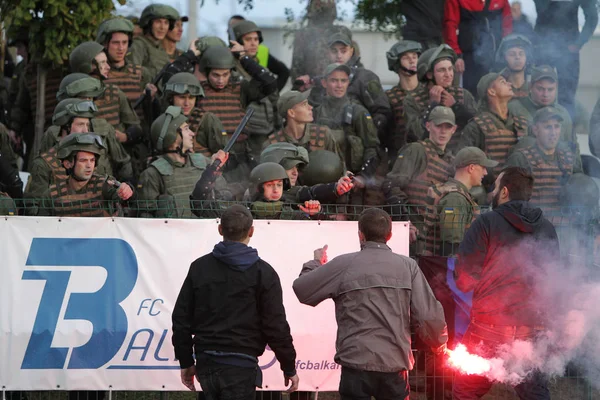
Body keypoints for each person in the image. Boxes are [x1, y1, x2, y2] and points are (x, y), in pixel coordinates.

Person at [293, 207, 448, 400]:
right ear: (389, 235)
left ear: (360, 235)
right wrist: (438, 343)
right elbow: (427, 315)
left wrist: (316, 263)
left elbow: (303, 290)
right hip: (395, 365)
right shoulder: (408, 266)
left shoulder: (344, 264)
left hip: (355, 364)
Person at [171, 204, 300, 397]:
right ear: (252, 231)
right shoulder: (264, 273)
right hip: (241, 366)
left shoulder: (200, 268)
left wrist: (186, 362)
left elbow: (181, 320)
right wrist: (288, 366)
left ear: (220, 229)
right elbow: (276, 326)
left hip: (207, 363)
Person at [453, 166, 558, 399]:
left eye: (495, 187)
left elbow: (465, 279)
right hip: (532, 328)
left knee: (466, 391)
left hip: (489, 327)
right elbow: (552, 279)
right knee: (535, 392)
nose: (491, 192)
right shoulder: (547, 228)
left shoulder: (486, 223)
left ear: (504, 192)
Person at [137, 106, 231, 218]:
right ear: (172, 136)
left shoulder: (204, 163)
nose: (192, 133)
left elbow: (225, 199)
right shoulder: (152, 175)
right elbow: (146, 219)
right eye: (186, 129)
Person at [384, 106, 456, 236]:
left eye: (448, 127)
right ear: (428, 126)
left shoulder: (451, 161)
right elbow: (392, 186)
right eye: (439, 126)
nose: (443, 131)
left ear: (454, 130)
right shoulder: (416, 150)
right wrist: (406, 222)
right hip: (413, 231)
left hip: (435, 235)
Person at [197, 45, 278, 156]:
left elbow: (270, 83)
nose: (220, 80)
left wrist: (244, 58)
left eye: (225, 74)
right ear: (207, 73)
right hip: (210, 155)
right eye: (215, 75)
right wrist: (189, 56)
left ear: (231, 72)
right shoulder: (197, 91)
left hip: (239, 155)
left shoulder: (240, 90)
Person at [32, 133, 134, 217]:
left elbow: (130, 200)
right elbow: (41, 228)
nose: (89, 165)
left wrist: (128, 190)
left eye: (92, 160)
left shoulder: (104, 185)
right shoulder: (52, 194)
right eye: (83, 160)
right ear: (68, 164)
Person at [423, 147, 497, 256]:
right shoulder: (456, 198)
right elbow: (451, 245)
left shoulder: (459, 194)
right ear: (471, 168)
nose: (485, 172)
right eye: (483, 167)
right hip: (447, 267)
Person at [506, 107, 580, 216]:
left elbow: (581, 191)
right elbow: (506, 197)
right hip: (530, 224)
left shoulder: (569, 158)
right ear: (535, 130)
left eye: (557, 126)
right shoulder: (520, 158)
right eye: (548, 127)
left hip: (564, 226)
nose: (553, 133)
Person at [533, 0, 598, 118]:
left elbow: (592, 17)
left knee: (567, 96)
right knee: (540, 92)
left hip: (569, 49)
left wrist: (579, 43)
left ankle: (567, 133)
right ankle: (539, 131)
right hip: (542, 47)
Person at [69, 41, 142, 143]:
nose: (108, 67)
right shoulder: (70, 98)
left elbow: (135, 127)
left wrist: (124, 137)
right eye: (102, 63)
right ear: (88, 66)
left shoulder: (114, 93)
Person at [404, 44, 477, 145]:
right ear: (429, 75)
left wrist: (456, 107)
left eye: (450, 69)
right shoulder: (412, 100)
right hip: (428, 156)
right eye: (442, 70)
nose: (448, 75)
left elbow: (477, 127)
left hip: (459, 155)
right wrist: (432, 105)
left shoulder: (464, 95)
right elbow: (417, 134)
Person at [313, 63, 380, 174]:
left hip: (350, 177)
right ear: (324, 83)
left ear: (348, 83)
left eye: (343, 81)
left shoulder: (358, 112)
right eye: (334, 81)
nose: (339, 85)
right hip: (319, 175)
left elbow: (371, 148)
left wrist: (363, 177)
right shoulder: (314, 112)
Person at [461, 73, 528, 182]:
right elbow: (463, 164)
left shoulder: (521, 123)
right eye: (503, 82)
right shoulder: (477, 126)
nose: (509, 84)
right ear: (491, 91)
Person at [231, 20, 286, 154]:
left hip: (268, 129)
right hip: (248, 131)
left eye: (256, 39)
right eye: (248, 39)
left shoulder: (258, 67)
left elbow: (274, 98)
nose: (254, 43)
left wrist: (280, 127)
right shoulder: (232, 68)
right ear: (237, 42)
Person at [443, 0, 512, 96]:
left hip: (496, 55)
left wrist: (507, 50)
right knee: (472, 93)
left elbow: (507, 23)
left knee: (497, 92)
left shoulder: (501, 1)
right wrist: (456, 55)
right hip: (469, 57)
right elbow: (450, 25)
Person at [260, 143, 353, 206]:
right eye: (290, 167)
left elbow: (311, 192)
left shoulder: (292, 191)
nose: (295, 173)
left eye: (297, 167)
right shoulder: (253, 193)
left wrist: (336, 188)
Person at [508, 65, 575, 149]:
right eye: (540, 89)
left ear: (556, 87)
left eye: (550, 89)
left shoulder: (563, 113)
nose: (545, 94)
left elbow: (572, 147)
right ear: (530, 86)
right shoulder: (514, 108)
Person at [265, 90, 341, 158]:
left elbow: (338, 166)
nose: (310, 107)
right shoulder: (273, 144)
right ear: (291, 113)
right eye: (304, 104)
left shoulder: (323, 134)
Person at [385, 40, 423, 161]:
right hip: (400, 157)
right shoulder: (389, 97)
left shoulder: (429, 92)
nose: (412, 61)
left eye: (415, 57)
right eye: (406, 58)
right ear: (396, 63)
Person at [247, 162, 321, 219]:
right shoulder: (246, 214)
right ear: (258, 188)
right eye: (269, 185)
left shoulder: (292, 213)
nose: (276, 190)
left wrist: (315, 214)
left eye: (279, 185)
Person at [127, 4, 179, 81]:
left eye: (166, 23)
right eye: (158, 22)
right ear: (148, 23)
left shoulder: (160, 48)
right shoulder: (138, 45)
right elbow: (133, 75)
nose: (162, 27)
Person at [290, 0, 337, 83]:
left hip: (336, 85)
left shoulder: (339, 33)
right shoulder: (304, 34)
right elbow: (296, 69)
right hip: (311, 86)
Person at [494, 34, 533, 99]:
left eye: (521, 54)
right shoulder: (496, 88)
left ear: (527, 58)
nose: (517, 57)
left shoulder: (536, 88)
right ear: (504, 58)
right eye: (512, 54)